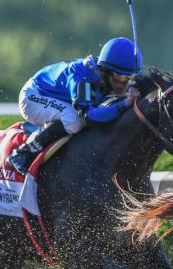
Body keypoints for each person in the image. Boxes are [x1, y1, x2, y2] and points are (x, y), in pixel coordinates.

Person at [8, 37, 142, 175]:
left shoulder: (105, 74)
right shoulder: (81, 78)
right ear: (105, 70)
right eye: (121, 78)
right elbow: (90, 117)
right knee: (74, 120)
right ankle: (23, 153)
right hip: (33, 96)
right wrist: (124, 104)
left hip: (58, 98)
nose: (125, 85)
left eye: (130, 78)